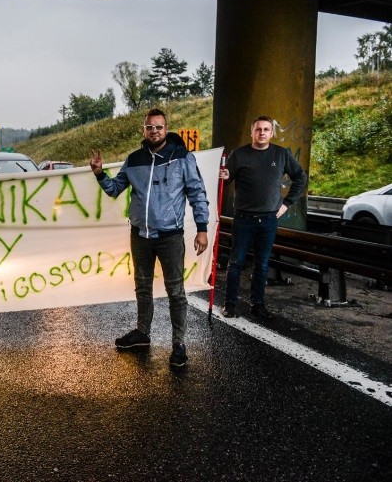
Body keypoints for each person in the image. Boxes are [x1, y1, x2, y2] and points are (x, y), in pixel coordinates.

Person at [90, 108, 209, 367]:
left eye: (159, 127)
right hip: (140, 236)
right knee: (142, 287)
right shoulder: (134, 160)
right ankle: (142, 333)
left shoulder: (182, 157)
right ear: (143, 130)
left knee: (175, 291)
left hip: (170, 236)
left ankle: (179, 343)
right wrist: (100, 174)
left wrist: (202, 228)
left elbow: (197, 193)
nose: (154, 131)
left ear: (166, 129)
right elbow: (114, 189)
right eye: (149, 127)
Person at [218, 115, 307, 320]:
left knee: (262, 264)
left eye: (266, 129)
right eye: (258, 129)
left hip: (268, 220)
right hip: (243, 218)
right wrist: (223, 176)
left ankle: (257, 304)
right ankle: (229, 304)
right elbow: (227, 178)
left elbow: (300, 177)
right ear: (252, 132)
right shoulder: (238, 155)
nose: (262, 133)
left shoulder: (281, 154)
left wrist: (287, 203)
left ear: (271, 133)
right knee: (236, 262)